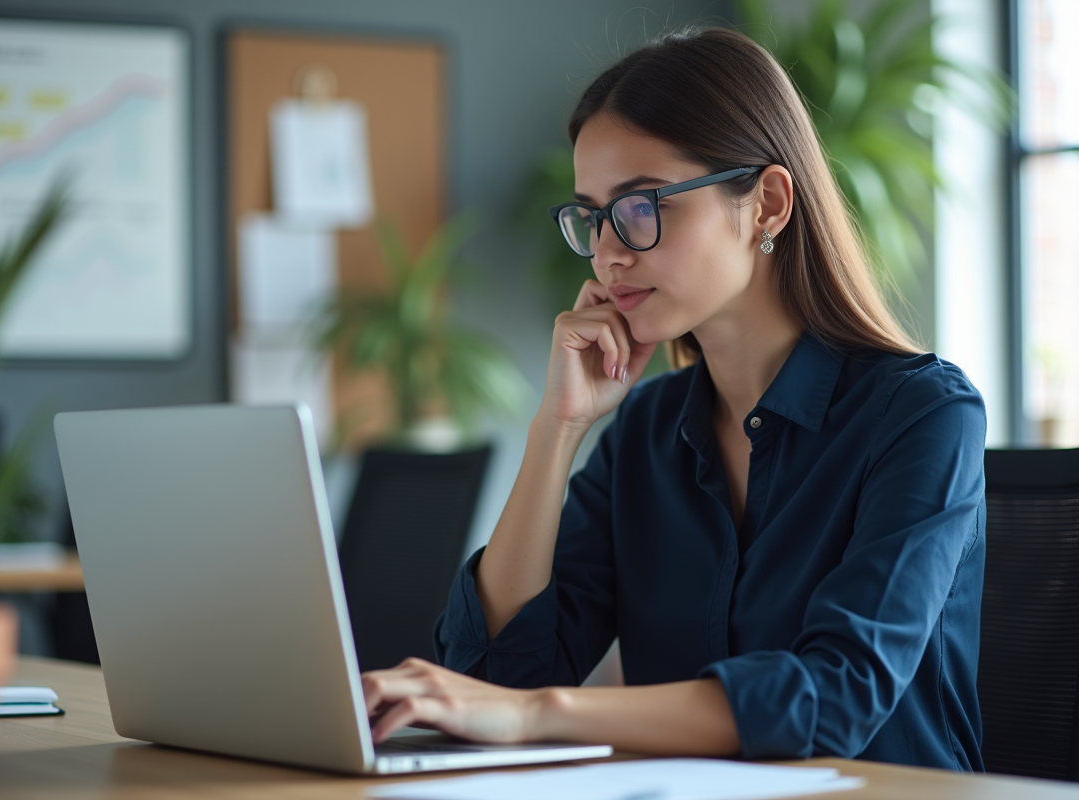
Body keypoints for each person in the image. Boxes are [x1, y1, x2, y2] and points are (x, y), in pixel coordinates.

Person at [360, 26, 986, 771]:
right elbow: (497, 678)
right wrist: (558, 429)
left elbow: (835, 696)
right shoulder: (648, 431)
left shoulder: (922, 415)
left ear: (768, 205)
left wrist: (540, 715)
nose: (608, 251)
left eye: (641, 206)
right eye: (593, 217)